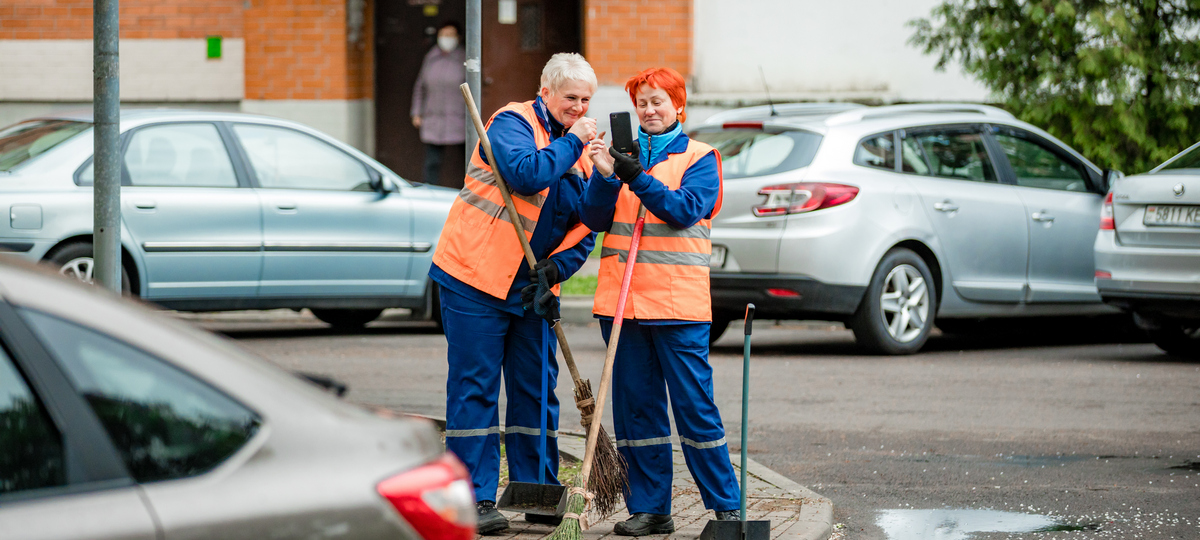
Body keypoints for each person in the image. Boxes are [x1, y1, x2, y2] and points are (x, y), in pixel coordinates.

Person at [428, 52, 599, 534]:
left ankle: (536, 490)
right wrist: (574, 141)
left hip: (531, 287)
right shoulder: (512, 122)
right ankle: (472, 498)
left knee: (535, 389)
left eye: (586, 100)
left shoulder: (582, 151)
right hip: (475, 279)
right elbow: (526, 173)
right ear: (546, 92)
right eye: (571, 98)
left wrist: (557, 268)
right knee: (475, 388)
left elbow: (587, 226)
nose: (579, 108)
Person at [582, 67, 741, 536]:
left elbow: (683, 210)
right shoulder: (620, 156)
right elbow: (593, 217)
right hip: (623, 305)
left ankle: (727, 509)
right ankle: (651, 509)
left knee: (694, 407)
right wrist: (607, 176)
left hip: (677, 306)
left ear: (679, 105)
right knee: (637, 413)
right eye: (642, 103)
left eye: (658, 101)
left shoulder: (700, 157)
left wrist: (635, 177)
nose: (649, 110)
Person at [410, 21, 466, 186]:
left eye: (450, 35)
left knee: (467, 159)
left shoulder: (464, 58)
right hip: (433, 117)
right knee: (432, 161)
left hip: (459, 117)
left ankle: (469, 192)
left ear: (458, 37)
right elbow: (420, 87)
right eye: (443, 35)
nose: (446, 38)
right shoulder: (431, 57)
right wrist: (417, 112)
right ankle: (430, 190)